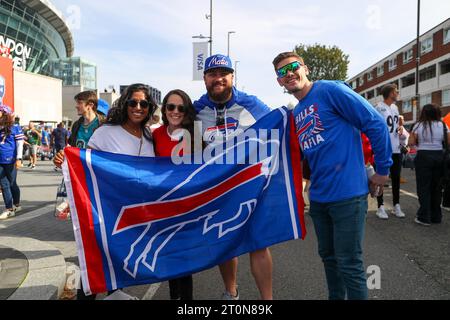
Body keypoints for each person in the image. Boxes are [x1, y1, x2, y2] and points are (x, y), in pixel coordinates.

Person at [272, 51, 392, 300]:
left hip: (348, 195)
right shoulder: (296, 113)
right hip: (319, 199)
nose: (289, 73)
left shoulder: (330, 90)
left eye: (293, 66)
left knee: (349, 263)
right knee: (329, 259)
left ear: (305, 68)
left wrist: (382, 171)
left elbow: (375, 123)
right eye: (282, 72)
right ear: (279, 82)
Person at [55, 83, 156, 300]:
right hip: (105, 210)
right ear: (125, 103)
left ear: (149, 107)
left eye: (143, 103)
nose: (138, 107)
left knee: (119, 259)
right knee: (96, 264)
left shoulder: (149, 135)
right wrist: (65, 161)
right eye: (133, 102)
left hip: (132, 213)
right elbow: (84, 164)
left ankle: (115, 293)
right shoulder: (106, 132)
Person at [194, 54, 273, 300]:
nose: (218, 78)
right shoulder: (196, 109)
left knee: (258, 243)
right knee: (225, 242)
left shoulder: (252, 104)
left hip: (251, 185)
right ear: (205, 78)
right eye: (212, 74)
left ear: (231, 76)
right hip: (218, 188)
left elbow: (278, 126)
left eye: (223, 73)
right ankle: (231, 292)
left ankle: (267, 300)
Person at [153, 89, 200, 300]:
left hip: (188, 207)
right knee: (170, 259)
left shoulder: (196, 134)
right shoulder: (155, 134)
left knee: (185, 263)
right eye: (171, 106)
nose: (175, 111)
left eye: (181, 107)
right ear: (164, 109)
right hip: (164, 207)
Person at [408, 104, 450, 226]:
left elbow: (410, 142)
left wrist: (418, 146)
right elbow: (448, 141)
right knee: (437, 188)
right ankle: (436, 216)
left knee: (423, 187)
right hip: (439, 157)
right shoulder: (442, 125)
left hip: (423, 157)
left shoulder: (418, 125)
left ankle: (424, 217)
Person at [374, 84, 406, 219]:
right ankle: (380, 206)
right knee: (381, 178)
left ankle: (396, 205)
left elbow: (396, 125)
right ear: (389, 93)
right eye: (395, 91)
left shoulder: (395, 108)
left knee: (396, 178)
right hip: (383, 148)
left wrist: (400, 128)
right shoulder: (378, 108)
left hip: (396, 148)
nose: (397, 93)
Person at [0, 105, 24, 220]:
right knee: (4, 184)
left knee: (12, 183)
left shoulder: (15, 127)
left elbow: (20, 143)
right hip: (0, 159)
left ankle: (17, 204)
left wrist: (19, 159)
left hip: (10, 159)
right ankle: (9, 209)